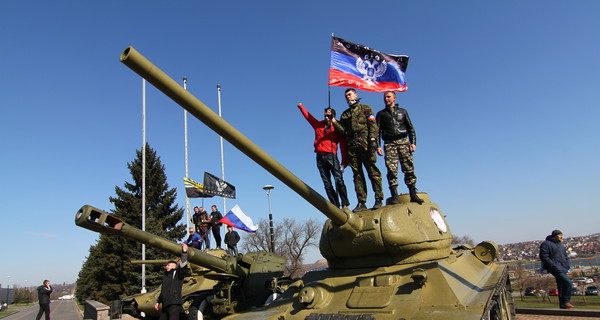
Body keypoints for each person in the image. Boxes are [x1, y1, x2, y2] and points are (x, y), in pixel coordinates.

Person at [332, 88, 383, 212]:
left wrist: (373, 141)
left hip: (365, 142)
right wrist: (334, 121)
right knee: (357, 174)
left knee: (372, 170)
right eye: (346, 95)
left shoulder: (366, 108)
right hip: (352, 145)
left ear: (356, 94)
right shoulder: (345, 114)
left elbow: (373, 126)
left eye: (349, 94)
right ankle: (361, 202)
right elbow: (342, 131)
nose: (348, 97)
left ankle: (378, 198)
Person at [297, 103, 350, 209]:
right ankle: (335, 206)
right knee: (327, 183)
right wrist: (301, 107)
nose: (326, 117)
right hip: (319, 157)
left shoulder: (338, 127)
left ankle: (345, 204)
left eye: (329, 115)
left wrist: (344, 162)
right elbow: (309, 117)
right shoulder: (318, 125)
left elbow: (343, 145)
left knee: (339, 180)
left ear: (333, 116)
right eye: (325, 115)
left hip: (331, 156)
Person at [376, 91, 424, 205]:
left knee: (408, 167)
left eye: (388, 97)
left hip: (403, 141)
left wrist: (413, 142)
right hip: (389, 143)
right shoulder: (381, 114)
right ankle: (394, 196)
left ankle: (413, 193)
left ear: (394, 98)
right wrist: (378, 146)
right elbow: (377, 132)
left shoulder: (403, 112)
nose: (386, 99)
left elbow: (410, 128)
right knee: (391, 170)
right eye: (385, 97)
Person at [539, 230, 574, 309]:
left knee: (561, 285)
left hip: (563, 268)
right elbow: (544, 256)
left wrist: (567, 266)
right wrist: (553, 265)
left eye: (562, 235)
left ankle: (562, 305)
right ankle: (566, 301)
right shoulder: (546, 244)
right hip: (554, 268)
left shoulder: (560, 245)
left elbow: (565, 257)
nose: (562, 237)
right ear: (555, 236)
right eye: (560, 235)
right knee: (568, 282)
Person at [155, 243, 189, 319]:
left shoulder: (177, 274)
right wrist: (158, 301)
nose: (166, 266)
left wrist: (184, 252)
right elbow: (163, 290)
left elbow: (183, 264)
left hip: (174, 304)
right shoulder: (165, 277)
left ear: (174, 265)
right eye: (166, 265)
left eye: (168, 265)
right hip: (165, 305)